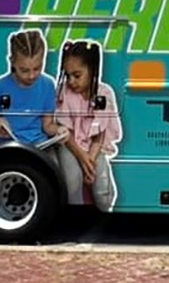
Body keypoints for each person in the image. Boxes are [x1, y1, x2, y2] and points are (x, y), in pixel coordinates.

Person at [54, 40, 123, 212]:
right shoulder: (64, 92)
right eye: (68, 75)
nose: (71, 81)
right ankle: (76, 214)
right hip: (70, 144)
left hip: (94, 146)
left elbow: (99, 135)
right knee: (72, 179)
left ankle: (105, 209)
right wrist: (82, 159)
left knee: (102, 186)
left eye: (77, 75)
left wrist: (89, 162)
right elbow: (66, 133)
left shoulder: (104, 92)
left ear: (92, 71)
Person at [0, 30, 68, 154]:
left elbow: (48, 125)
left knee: (51, 168)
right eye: (24, 70)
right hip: (9, 146)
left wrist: (60, 130)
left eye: (37, 68)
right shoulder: (0, 85)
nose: (31, 76)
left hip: (40, 146)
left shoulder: (48, 84)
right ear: (12, 61)